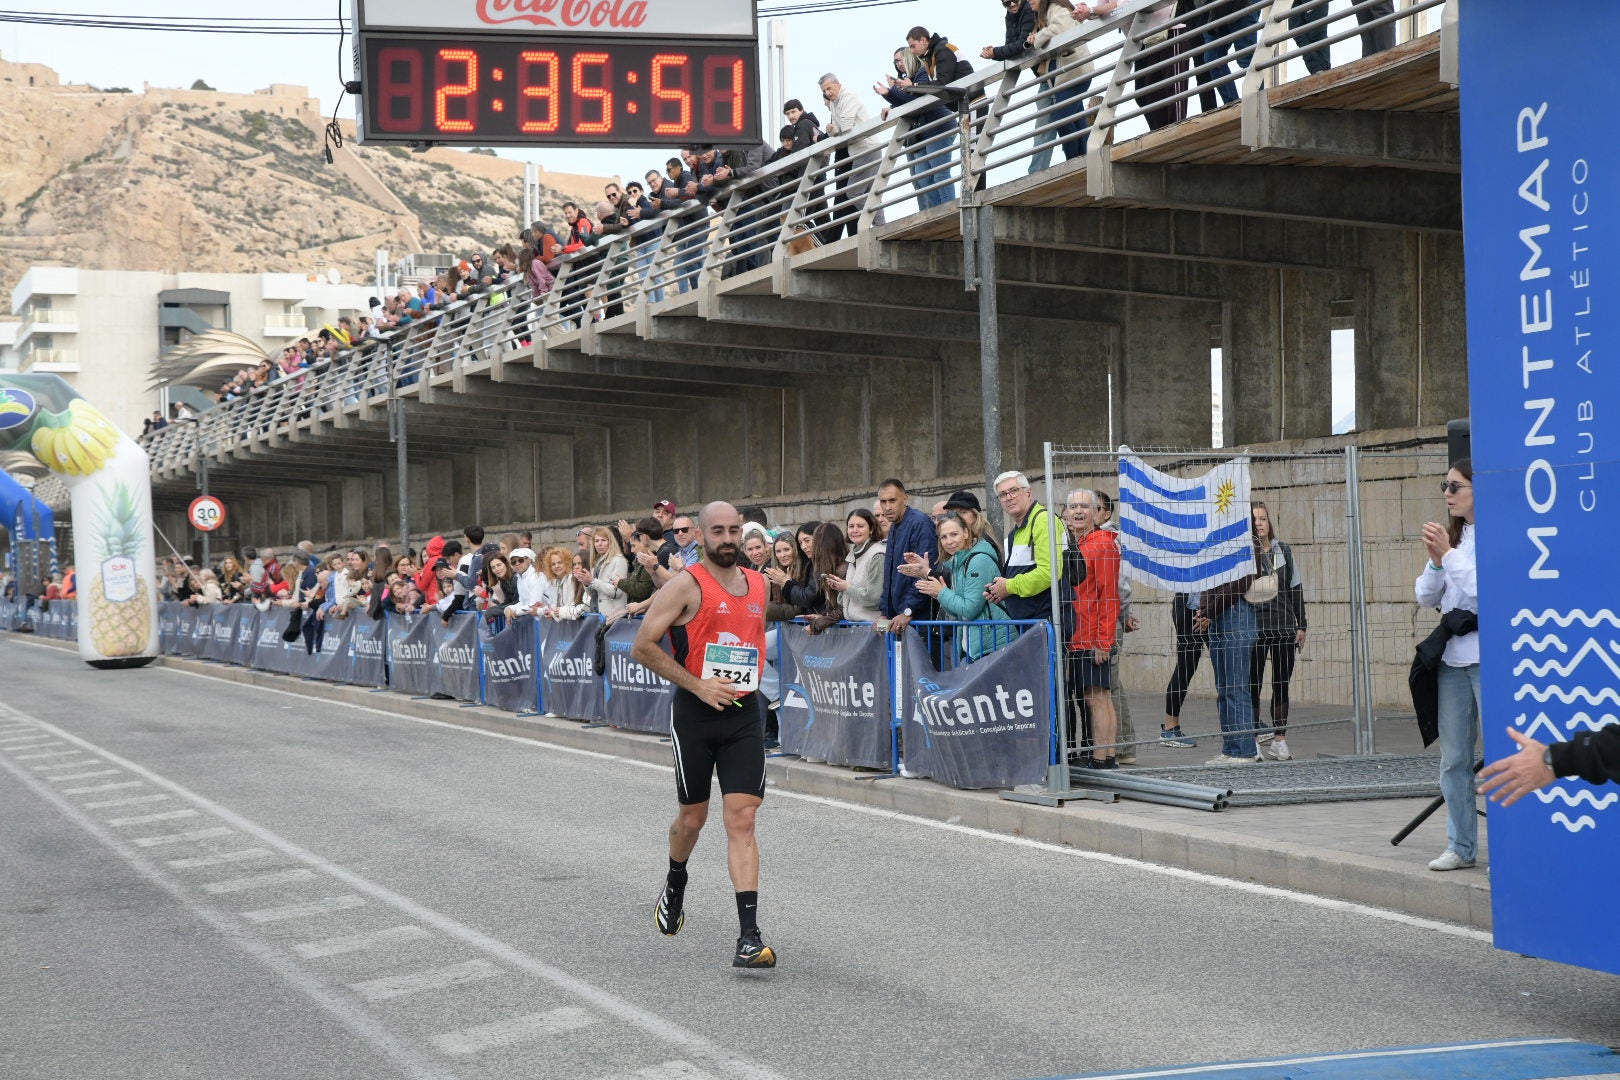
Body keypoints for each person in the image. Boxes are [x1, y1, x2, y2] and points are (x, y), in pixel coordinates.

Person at [631, 502, 777, 969]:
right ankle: (676, 880)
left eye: (735, 529)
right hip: (695, 715)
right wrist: (698, 684)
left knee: (743, 820)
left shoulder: (759, 582)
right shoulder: (685, 585)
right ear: (702, 534)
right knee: (692, 821)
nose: (729, 538)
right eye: (719, 530)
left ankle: (749, 937)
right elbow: (642, 646)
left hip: (743, 715)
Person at [1414, 459, 1480, 871]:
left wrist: (1449, 556)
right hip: (1452, 660)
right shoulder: (1454, 538)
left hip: (1487, 656)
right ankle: (1460, 845)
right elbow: (1424, 595)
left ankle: (1514, 846)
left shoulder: (1497, 532)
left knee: (1505, 756)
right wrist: (1437, 560)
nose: (1447, 493)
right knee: (1454, 758)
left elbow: (1483, 590)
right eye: (1445, 485)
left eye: (1455, 486)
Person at [1061, 489, 1121, 768]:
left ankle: (1101, 759)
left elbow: (1109, 595)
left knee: (1096, 698)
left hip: (1090, 636)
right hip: (1081, 633)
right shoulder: (1082, 544)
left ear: (1097, 512)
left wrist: (1104, 641)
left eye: (1084, 506)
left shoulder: (1102, 545)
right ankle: (1106, 757)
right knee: (1098, 697)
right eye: (1072, 505)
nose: (1077, 510)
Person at [1248, 502, 1307, 762]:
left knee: (1281, 684)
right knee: (1253, 684)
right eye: (1254, 519)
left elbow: (1296, 588)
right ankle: (1252, 740)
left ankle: (1280, 740)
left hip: (1283, 626)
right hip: (1254, 627)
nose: (1260, 523)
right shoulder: (1244, 553)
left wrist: (1301, 624)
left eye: (1263, 518)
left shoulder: (1283, 550)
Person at [916, 511, 1008, 661]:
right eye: (943, 537)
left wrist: (942, 593)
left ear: (966, 532)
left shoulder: (978, 561)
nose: (949, 541)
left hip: (992, 646)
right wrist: (940, 595)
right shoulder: (957, 562)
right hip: (974, 647)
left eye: (954, 534)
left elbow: (970, 609)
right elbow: (956, 614)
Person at [986, 470, 1061, 621]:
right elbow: (1019, 574)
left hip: (1048, 620)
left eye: (1014, 490)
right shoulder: (1015, 532)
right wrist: (998, 590)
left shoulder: (1042, 521)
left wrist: (1008, 587)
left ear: (1028, 492)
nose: (1009, 497)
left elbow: (1049, 573)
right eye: (1002, 494)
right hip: (1031, 620)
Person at [876, 479, 938, 634]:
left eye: (892, 500)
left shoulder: (920, 523)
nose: (888, 507)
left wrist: (908, 611)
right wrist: (884, 612)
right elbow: (889, 575)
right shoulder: (894, 527)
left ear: (905, 498)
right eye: (883, 502)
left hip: (919, 621)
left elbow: (925, 572)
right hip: (900, 619)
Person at [826, 508, 885, 622]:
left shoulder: (877, 555)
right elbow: (846, 601)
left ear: (871, 529)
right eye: (851, 526)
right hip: (857, 626)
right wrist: (839, 586)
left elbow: (874, 599)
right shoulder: (853, 555)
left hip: (875, 626)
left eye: (860, 526)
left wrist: (847, 587)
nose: (855, 530)